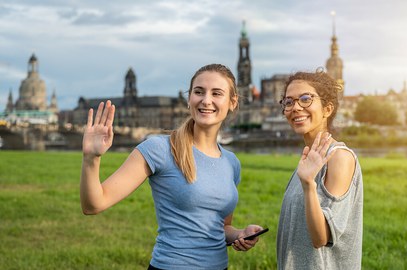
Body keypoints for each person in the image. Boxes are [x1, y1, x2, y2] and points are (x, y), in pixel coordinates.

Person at [80, 63, 263, 270]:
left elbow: (220, 228)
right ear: (189, 99)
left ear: (232, 102)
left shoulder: (231, 163)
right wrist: (91, 159)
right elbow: (93, 205)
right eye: (199, 92)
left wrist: (239, 234)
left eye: (216, 93)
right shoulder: (158, 149)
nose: (206, 100)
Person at [276, 69, 363, 269]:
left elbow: (320, 237)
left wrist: (308, 184)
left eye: (305, 99)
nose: (295, 107)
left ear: (327, 109)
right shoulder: (309, 160)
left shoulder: (339, 157)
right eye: (288, 102)